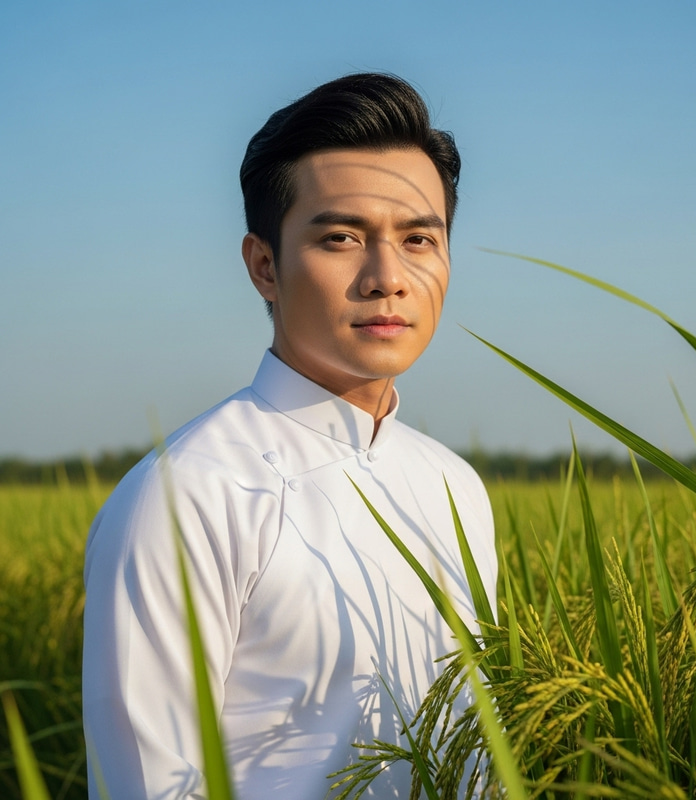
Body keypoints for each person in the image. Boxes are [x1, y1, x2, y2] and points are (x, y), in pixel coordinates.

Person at [82, 73, 497, 799]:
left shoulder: (455, 487)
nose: (387, 277)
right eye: (341, 237)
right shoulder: (187, 497)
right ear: (264, 266)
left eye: (419, 238)